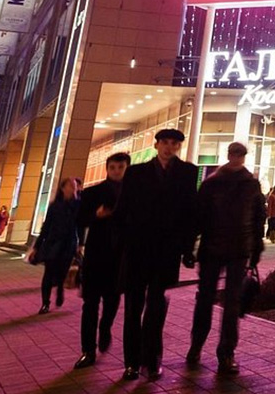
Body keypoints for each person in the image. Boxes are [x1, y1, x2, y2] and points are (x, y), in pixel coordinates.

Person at [114, 128, 198, 382]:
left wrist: (187, 249)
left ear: (179, 147)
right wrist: (119, 245)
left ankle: (152, 359)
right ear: (157, 145)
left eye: (173, 143)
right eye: (164, 142)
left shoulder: (187, 172)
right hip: (138, 248)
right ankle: (131, 362)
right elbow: (122, 209)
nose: (168, 147)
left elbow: (190, 213)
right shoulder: (137, 172)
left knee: (156, 307)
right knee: (133, 307)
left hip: (167, 250)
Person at [187, 143, 265, 375]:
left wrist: (255, 249)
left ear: (243, 157)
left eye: (240, 155)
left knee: (232, 303)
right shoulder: (212, 183)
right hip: (212, 248)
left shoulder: (251, 184)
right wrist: (189, 247)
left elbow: (258, 218)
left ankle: (226, 353)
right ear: (228, 155)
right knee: (205, 300)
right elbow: (199, 216)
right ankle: (196, 345)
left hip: (238, 250)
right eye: (234, 154)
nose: (236, 158)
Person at [72, 152, 130, 370]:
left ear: (126, 168)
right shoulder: (93, 192)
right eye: (113, 167)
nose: (116, 171)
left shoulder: (132, 193)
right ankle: (87, 350)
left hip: (119, 256)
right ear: (107, 168)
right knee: (90, 304)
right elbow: (79, 219)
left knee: (113, 301)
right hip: (96, 255)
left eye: (120, 167)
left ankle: (105, 327)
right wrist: (96, 215)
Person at [29, 177, 81, 314]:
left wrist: (81, 244)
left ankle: (59, 289)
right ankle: (45, 303)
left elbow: (80, 226)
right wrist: (36, 246)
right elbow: (46, 227)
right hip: (53, 244)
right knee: (48, 273)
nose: (73, 188)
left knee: (63, 272)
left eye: (75, 186)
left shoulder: (78, 205)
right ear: (63, 188)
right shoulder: (54, 206)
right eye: (70, 185)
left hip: (69, 245)